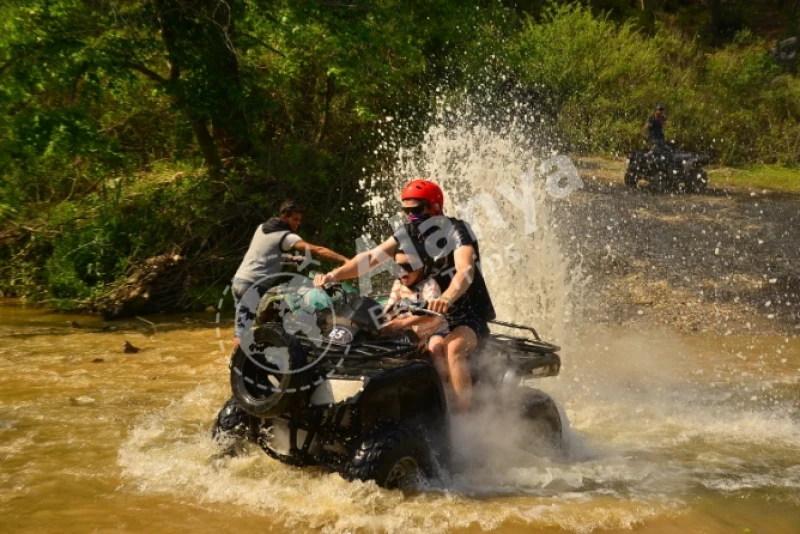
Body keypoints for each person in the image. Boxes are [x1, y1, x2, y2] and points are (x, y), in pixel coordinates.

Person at [314, 180, 495, 412]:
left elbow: (465, 270)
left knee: (452, 349)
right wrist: (333, 275)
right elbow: (370, 258)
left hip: (464, 316)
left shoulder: (456, 230)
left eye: (417, 209)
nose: (411, 216)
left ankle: (462, 419)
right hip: (427, 315)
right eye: (407, 210)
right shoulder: (407, 232)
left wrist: (447, 298)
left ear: (435, 207)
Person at [232, 200, 348, 339]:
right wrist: (345, 260)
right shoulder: (287, 237)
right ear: (284, 217)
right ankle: (238, 359)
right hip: (254, 286)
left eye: (299, 219)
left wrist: (291, 259)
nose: (298, 223)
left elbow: (265, 253)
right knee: (243, 332)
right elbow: (317, 250)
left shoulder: (262, 228)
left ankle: (251, 356)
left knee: (244, 328)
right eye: (295, 219)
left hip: (239, 282)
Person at [381, 248, 450, 383]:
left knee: (435, 348)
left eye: (409, 266)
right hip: (412, 336)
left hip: (435, 332)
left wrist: (401, 323)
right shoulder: (398, 285)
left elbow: (431, 314)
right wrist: (382, 322)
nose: (402, 271)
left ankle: (444, 387)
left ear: (421, 267)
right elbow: (389, 309)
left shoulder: (430, 286)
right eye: (397, 267)